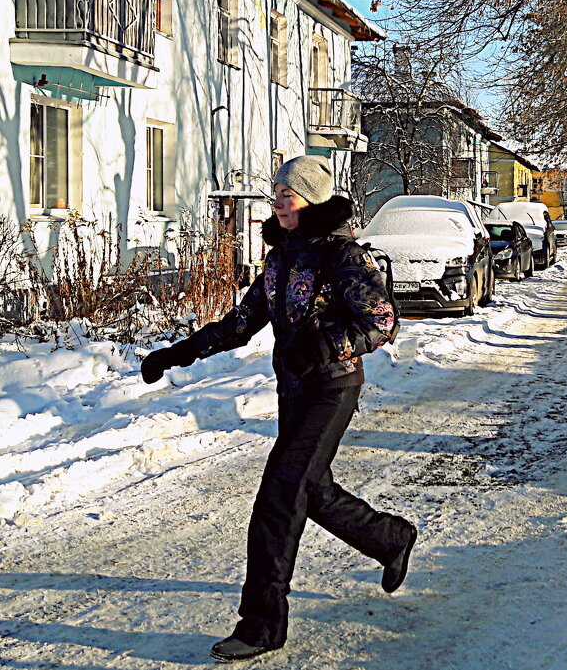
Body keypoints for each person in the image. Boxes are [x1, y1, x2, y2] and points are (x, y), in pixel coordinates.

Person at [141, 155, 417, 663]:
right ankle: (390, 537)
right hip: (292, 390)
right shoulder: (280, 259)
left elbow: (383, 320)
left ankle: (262, 624)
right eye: (276, 195)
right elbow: (241, 322)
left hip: (332, 388)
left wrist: (326, 346)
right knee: (311, 488)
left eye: (285, 196)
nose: (277, 204)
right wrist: (180, 351)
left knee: (278, 498)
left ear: (310, 201)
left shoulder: (343, 258)